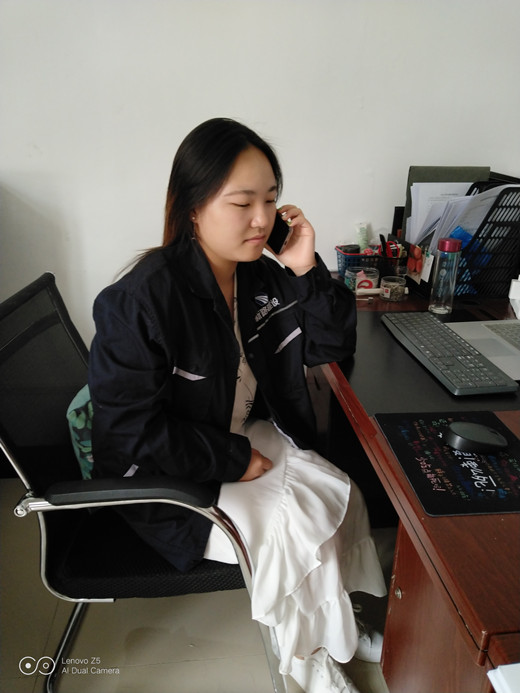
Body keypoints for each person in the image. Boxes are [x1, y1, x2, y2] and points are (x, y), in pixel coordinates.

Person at [88, 118, 387, 693]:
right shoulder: (139, 301)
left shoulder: (259, 277)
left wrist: (305, 266)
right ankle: (310, 662)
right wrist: (233, 458)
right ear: (193, 208)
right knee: (296, 528)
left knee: (339, 491)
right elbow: (128, 432)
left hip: (238, 432)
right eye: (242, 202)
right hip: (168, 475)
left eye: (271, 200)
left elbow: (330, 345)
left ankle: (335, 623)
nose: (262, 219)